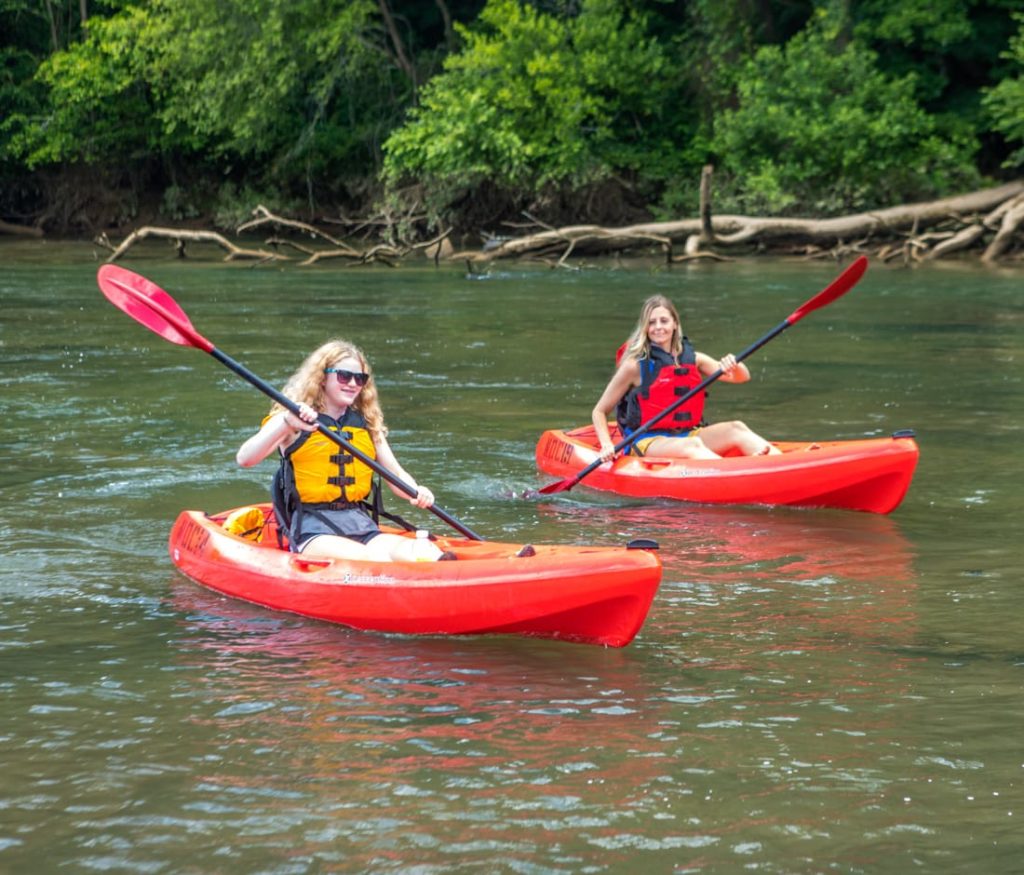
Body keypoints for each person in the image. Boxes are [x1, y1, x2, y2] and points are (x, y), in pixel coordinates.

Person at [237, 338, 454, 562]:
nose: (353, 383)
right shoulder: (292, 418)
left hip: (360, 524)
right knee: (372, 559)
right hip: (312, 529)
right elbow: (245, 458)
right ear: (322, 377)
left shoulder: (366, 424)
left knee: (421, 551)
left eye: (360, 378)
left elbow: (396, 474)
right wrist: (286, 422)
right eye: (344, 376)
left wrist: (417, 491)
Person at [592, 295, 781, 462]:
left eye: (664, 321)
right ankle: (740, 473)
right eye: (652, 322)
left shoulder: (694, 359)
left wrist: (734, 365)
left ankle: (776, 463)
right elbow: (599, 411)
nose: (658, 327)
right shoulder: (634, 367)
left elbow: (741, 377)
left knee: (736, 428)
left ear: (675, 324)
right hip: (647, 441)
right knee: (692, 446)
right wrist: (607, 445)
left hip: (687, 434)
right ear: (645, 327)